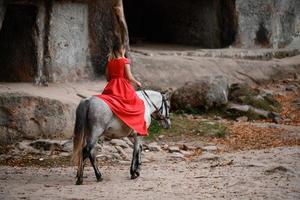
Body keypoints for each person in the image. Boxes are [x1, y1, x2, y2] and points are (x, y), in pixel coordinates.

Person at [95, 45, 148, 136]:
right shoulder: (125, 61)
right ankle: (136, 128)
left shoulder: (110, 62)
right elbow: (129, 77)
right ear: (121, 50)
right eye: (124, 49)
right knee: (138, 104)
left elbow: (108, 78)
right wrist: (137, 82)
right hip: (122, 86)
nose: (124, 50)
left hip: (111, 86)